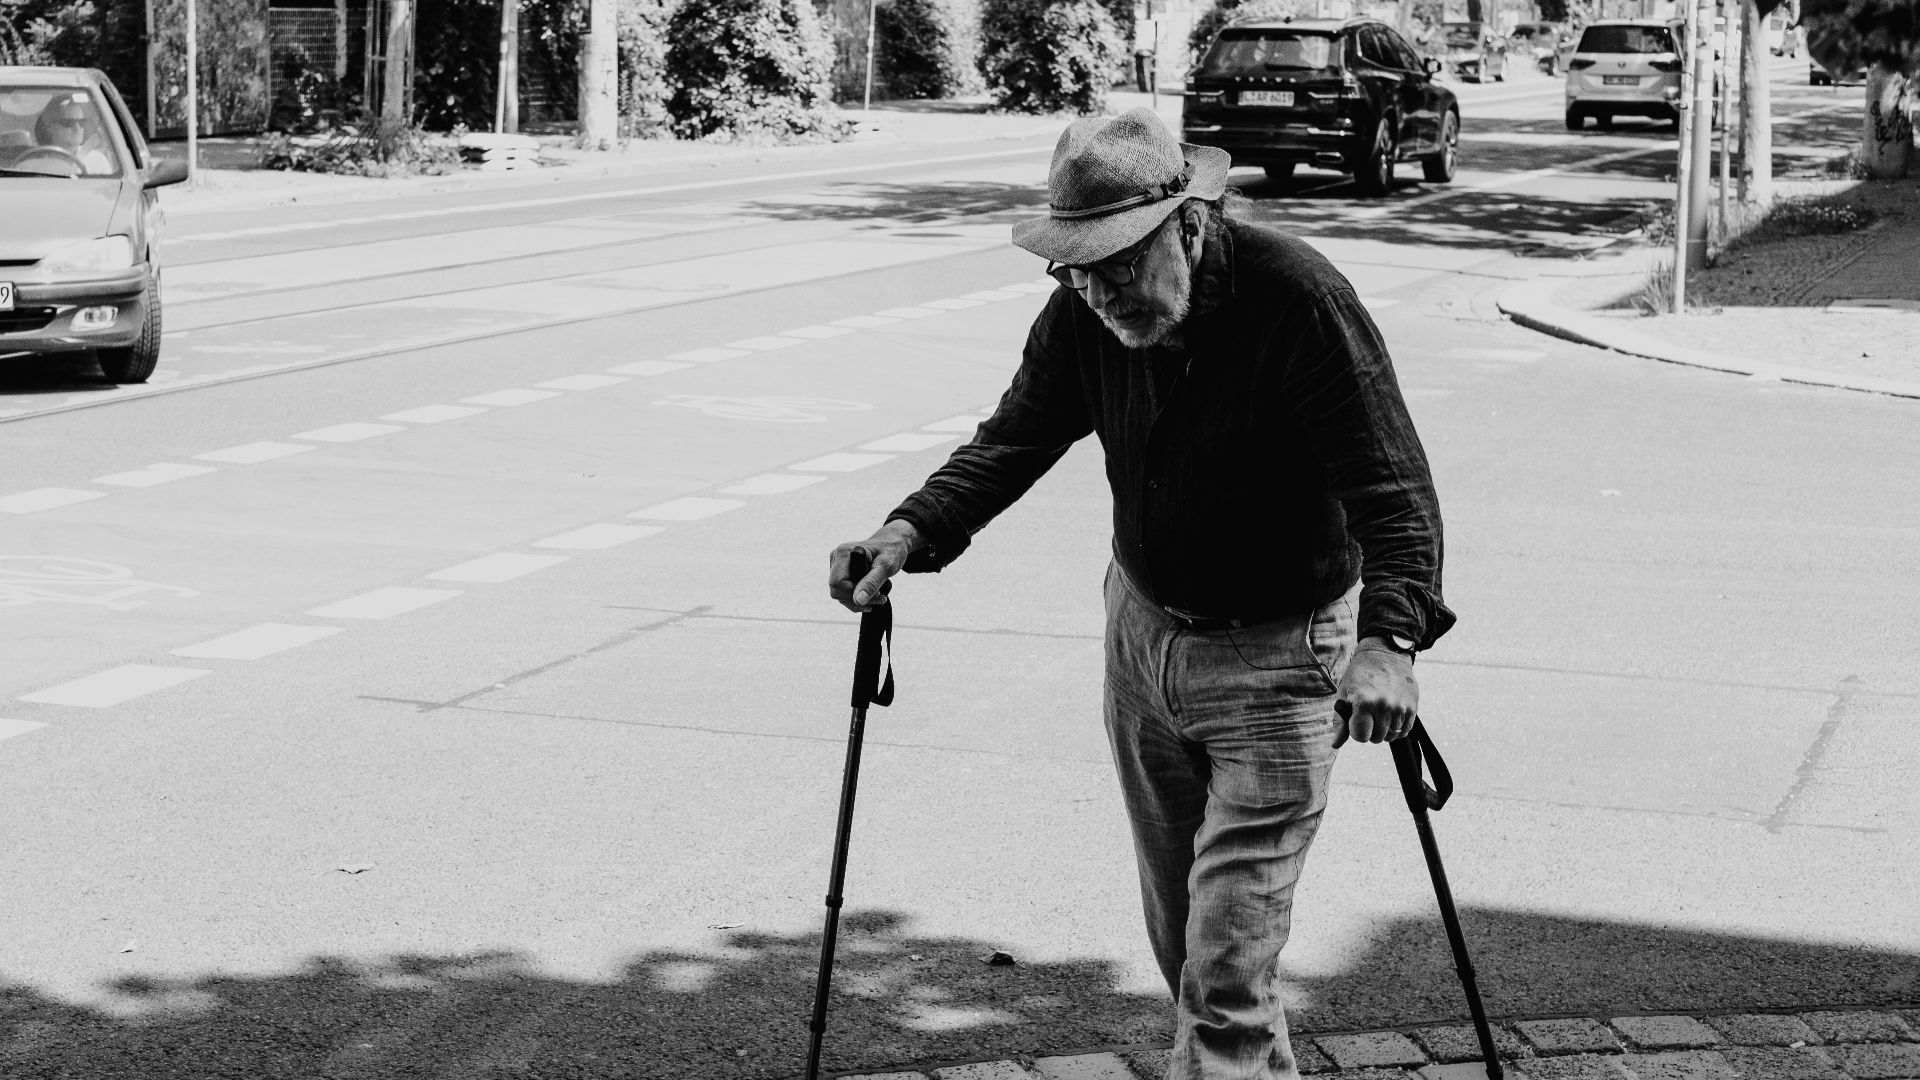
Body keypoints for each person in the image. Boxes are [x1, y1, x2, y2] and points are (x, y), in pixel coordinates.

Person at [826, 107, 1454, 1080]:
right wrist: (908, 530)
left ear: (1191, 228)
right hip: (1142, 639)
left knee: (1224, 971)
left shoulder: (1298, 301)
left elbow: (1392, 491)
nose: (1099, 290)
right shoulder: (1084, 310)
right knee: (1189, 954)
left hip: (1280, 666)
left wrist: (1392, 642)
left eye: (1118, 264)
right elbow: (1014, 437)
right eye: (1076, 266)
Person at [33, 94, 113, 175]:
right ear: (50, 127)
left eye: (81, 122)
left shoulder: (97, 161)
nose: (77, 128)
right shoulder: (34, 163)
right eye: (69, 123)